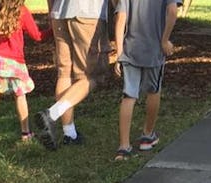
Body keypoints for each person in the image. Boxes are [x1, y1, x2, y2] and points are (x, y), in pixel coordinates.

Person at [33, 0, 110, 149]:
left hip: (59, 11)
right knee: (92, 75)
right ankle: (51, 114)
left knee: (64, 73)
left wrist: (52, 13)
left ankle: (70, 133)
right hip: (88, 13)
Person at [0, 0, 53, 148]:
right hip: (15, 62)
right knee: (20, 95)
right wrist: (53, 30)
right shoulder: (21, 11)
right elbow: (37, 36)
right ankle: (26, 133)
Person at [113, 0, 177, 160]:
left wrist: (119, 52)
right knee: (153, 91)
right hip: (154, 50)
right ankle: (148, 135)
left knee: (129, 96)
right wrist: (165, 40)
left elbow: (121, 17)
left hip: (130, 50)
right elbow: (173, 11)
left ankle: (124, 146)